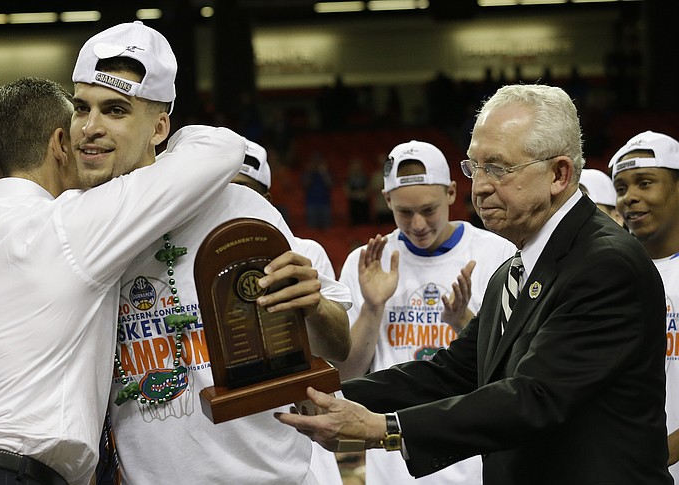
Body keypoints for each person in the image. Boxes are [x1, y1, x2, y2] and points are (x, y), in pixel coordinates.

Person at [275, 84, 672, 484]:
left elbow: (534, 398)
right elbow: (452, 371)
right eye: (474, 167)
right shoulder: (515, 269)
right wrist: (326, 393)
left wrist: (384, 429)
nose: (479, 186)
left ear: (559, 173)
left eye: (498, 168)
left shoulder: (605, 264)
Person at [0, 68, 244, 484]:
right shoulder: (68, 227)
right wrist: (154, 129)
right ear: (59, 144)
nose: (88, 142)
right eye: (77, 131)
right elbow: (220, 149)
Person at [71, 23, 350, 485]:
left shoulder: (241, 209)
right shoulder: (75, 227)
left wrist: (315, 306)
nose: (91, 128)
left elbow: (338, 347)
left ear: (160, 127)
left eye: (115, 110)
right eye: (82, 108)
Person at [336, 139, 515, 485]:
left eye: (429, 210)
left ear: (451, 193)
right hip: (393, 466)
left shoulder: (496, 253)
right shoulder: (368, 262)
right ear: (387, 200)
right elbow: (347, 374)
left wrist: (463, 323)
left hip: (474, 461)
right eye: (404, 212)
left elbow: (510, 374)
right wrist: (373, 307)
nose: (418, 224)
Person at [232, 138, 345, 485]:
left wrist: (314, 306)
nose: (231, 203)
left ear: (266, 201)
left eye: (244, 192)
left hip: (291, 438)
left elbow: (339, 351)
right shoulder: (187, 260)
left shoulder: (302, 252)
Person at [609, 130, 679, 482]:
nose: (630, 198)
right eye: (620, 189)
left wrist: (661, 453)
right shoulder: (606, 275)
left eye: (645, 183)